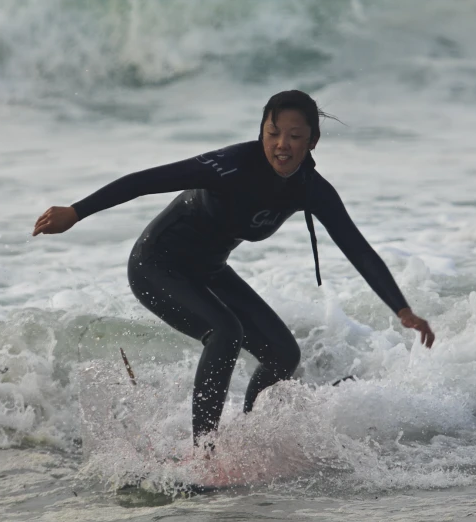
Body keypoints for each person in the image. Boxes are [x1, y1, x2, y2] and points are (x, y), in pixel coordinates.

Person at [33, 90, 435, 450]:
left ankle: (247, 437)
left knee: (282, 354)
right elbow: (144, 181)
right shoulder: (229, 166)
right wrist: (76, 211)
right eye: (273, 133)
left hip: (207, 270)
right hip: (156, 264)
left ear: (313, 141)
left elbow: (358, 249)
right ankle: (204, 454)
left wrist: (402, 310)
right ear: (261, 133)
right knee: (225, 332)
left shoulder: (312, 189)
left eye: (295, 136)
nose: (282, 145)